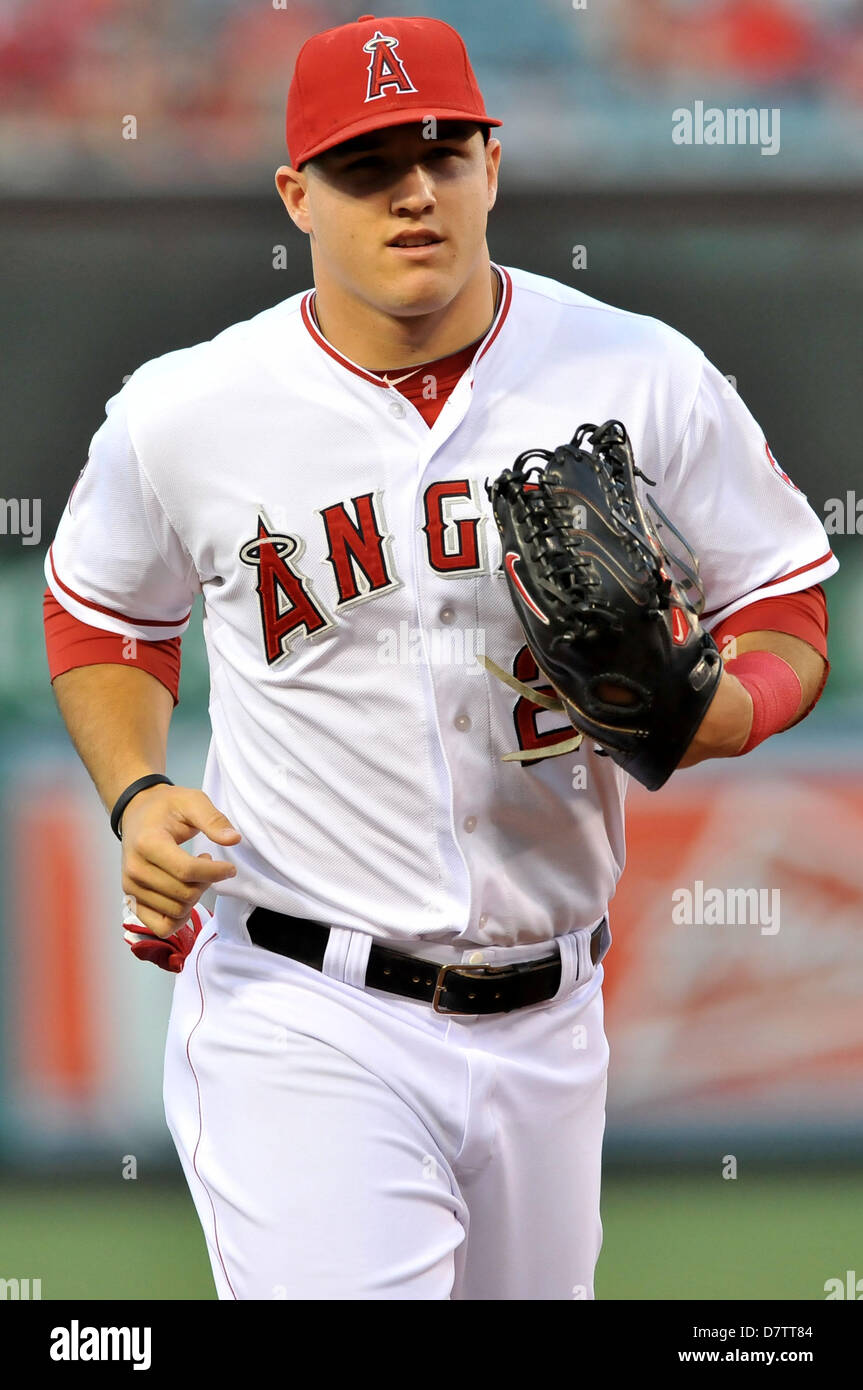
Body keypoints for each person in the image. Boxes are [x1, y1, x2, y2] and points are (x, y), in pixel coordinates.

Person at [43, 13, 836, 1300]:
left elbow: (786, 602)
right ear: (298, 193)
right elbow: (102, 615)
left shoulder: (637, 373)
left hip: (551, 1013)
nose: (412, 191)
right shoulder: (187, 409)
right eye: (365, 166)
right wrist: (135, 789)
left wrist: (731, 710)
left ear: (492, 161)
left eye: (441, 151)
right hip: (301, 1000)